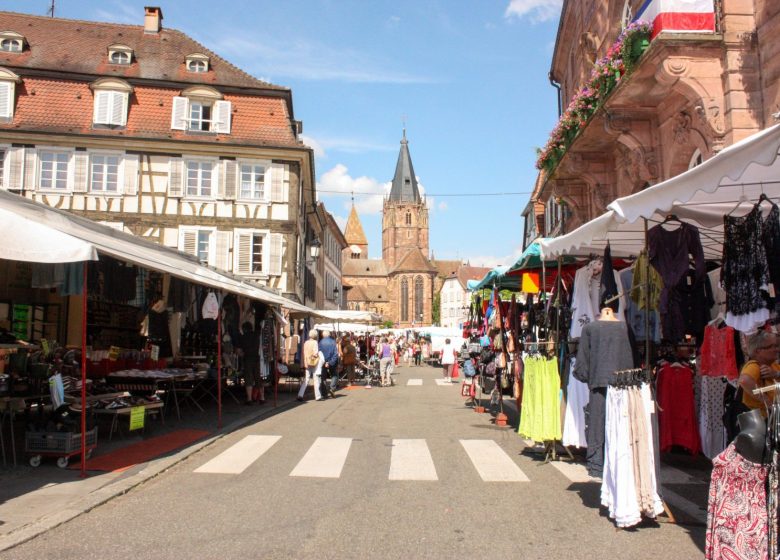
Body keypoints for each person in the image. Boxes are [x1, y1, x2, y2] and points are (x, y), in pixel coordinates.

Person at [739, 330, 780, 415]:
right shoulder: (754, 366)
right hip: (764, 419)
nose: (777, 349)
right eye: (772, 346)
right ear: (758, 351)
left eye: (777, 346)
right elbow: (744, 381)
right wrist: (768, 402)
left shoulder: (772, 365)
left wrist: (776, 374)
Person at [237, 321, 264, 405]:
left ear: (244, 329)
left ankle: (249, 399)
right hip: (257, 358)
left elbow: (239, 351)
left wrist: (242, 354)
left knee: (249, 379)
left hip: (248, 358)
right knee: (258, 378)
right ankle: (262, 398)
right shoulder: (257, 335)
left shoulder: (243, 337)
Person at [298, 329, 324, 401]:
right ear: (315, 335)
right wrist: (319, 356)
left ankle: (300, 394)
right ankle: (318, 396)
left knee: (306, 379)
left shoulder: (306, 342)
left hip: (307, 362)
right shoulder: (315, 342)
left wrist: (304, 362)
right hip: (313, 362)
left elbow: (303, 353)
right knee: (316, 379)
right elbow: (315, 353)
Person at [319, 330, 339, 397]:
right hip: (331, 361)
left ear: (323, 335)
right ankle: (332, 388)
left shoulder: (320, 342)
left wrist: (324, 362)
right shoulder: (333, 342)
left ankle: (324, 393)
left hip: (323, 362)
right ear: (329, 335)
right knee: (335, 375)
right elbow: (335, 354)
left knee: (323, 377)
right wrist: (330, 362)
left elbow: (319, 353)